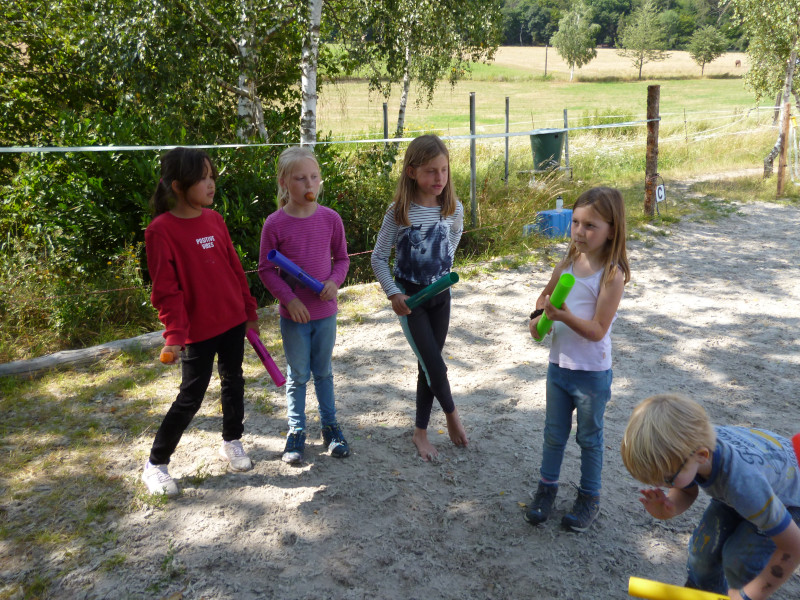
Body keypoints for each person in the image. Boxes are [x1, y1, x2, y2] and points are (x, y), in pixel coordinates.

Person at [142, 147, 259, 497]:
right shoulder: (160, 231)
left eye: (212, 177)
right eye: (202, 178)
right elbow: (166, 291)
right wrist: (175, 335)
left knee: (233, 381)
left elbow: (234, 268)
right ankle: (156, 464)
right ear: (178, 186)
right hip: (197, 332)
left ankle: (232, 440)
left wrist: (249, 311)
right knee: (191, 395)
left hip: (232, 321)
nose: (211, 184)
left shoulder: (215, 220)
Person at [621, 394, 800, 600]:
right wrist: (669, 507)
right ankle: (701, 592)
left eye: (667, 479)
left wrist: (747, 596)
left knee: (739, 560)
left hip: (787, 501)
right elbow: (687, 489)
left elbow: (793, 548)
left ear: (702, 455)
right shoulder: (690, 444)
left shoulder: (744, 483)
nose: (662, 485)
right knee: (702, 552)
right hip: (747, 491)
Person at [524, 186, 630, 532]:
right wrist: (538, 316)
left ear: (611, 230)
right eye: (576, 223)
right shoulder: (566, 264)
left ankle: (589, 497)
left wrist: (563, 316)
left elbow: (598, 330)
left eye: (590, 225)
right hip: (558, 368)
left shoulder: (612, 275)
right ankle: (546, 491)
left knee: (589, 438)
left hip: (591, 375)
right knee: (554, 434)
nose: (580, 232)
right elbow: (544, 297)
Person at [371, 134, 468, 462]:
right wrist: (393, 292)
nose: (439, 178)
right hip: (412, 302)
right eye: (430, 171)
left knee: (428, 364)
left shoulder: (453, 209)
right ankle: (453, 416)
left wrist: (444, 265)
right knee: (434, 365)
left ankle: (420, 432)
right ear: (412, 172)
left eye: (444, 170)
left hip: (441, 297)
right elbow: (378, 258)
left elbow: (454, 236)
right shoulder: (399, 213)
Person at [258, 146, 350, 464]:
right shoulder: (274, 224)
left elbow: (342, 259)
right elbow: (266, 270)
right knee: (298, 376)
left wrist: (334, 282)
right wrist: (290, 299)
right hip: (294, 317)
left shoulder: (330, 219)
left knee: (323, 373)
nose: (309, 185)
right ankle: (296, 431)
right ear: (284, 182)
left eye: (314, 177)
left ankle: (331, 427)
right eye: (300, 179)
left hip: (325, 314)